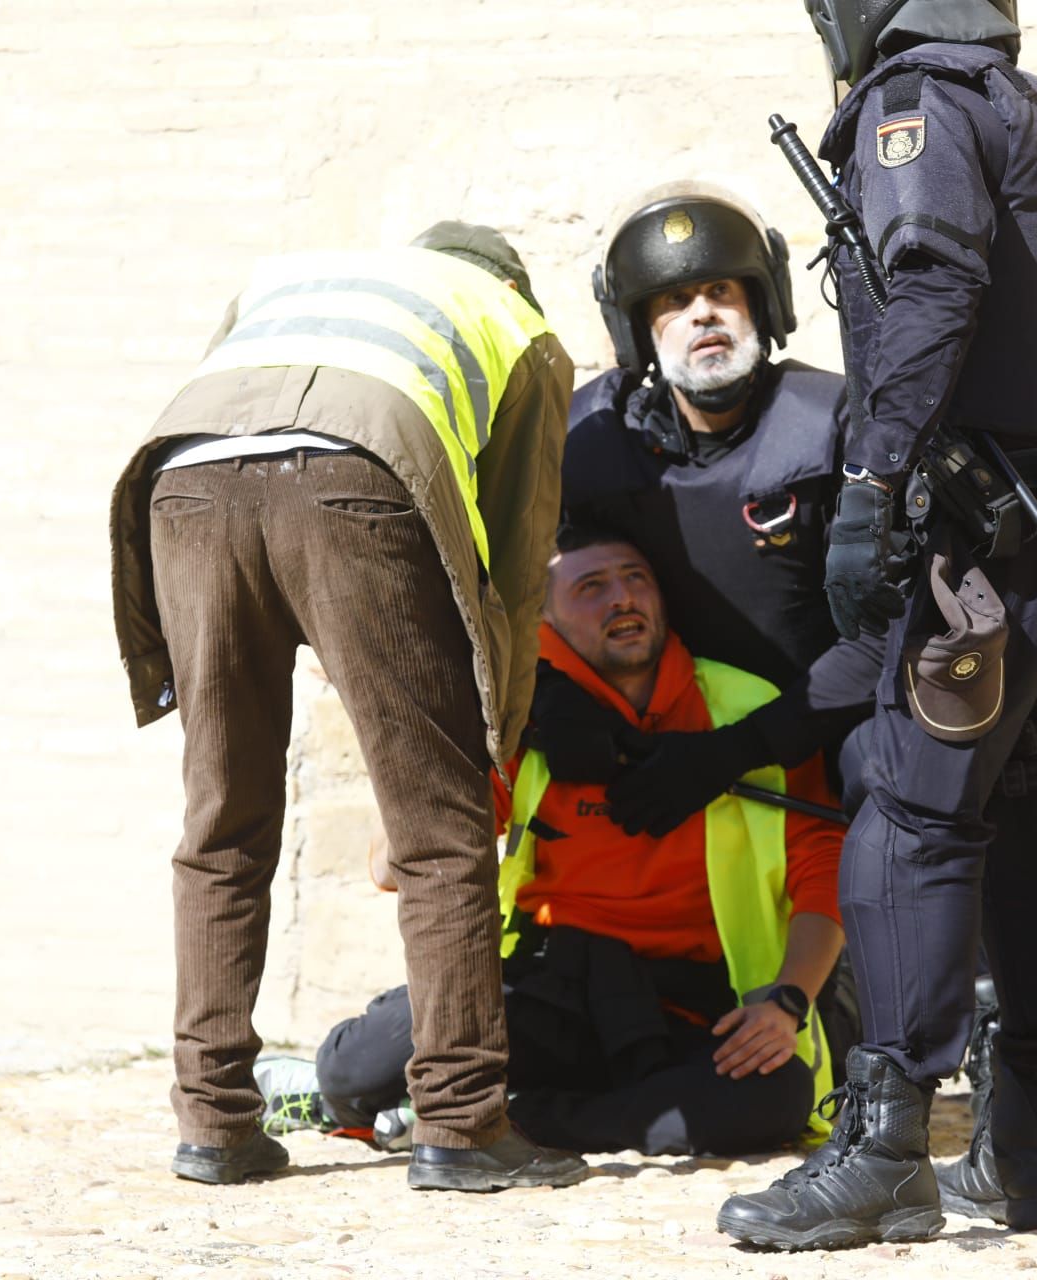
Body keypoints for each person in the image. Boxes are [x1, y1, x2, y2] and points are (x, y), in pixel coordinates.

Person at [717, 0, 1037, 1249]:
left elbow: (931, 283)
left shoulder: (916, 108)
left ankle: (884, 1150)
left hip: (987, 526)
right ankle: (1031, 1152)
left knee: (915, 808)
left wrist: (874, 483)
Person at [107, 222, 588, 1192]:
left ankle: (214, 1119)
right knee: (441, 828)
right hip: (355, 474)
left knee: (221, 819)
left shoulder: (292, 278)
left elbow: (235, 432)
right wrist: (498, 730)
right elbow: (513, 555)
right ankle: (461, 1121)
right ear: (510, 282)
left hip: (181, 475)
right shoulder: (517, 327)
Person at [274, 529, 849, 1157]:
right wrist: (438, 741)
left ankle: (508, 1117)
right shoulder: (519, 719)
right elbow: (391, 866)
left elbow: (824, 863)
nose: (622, 599)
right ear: (545, 617)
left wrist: (787, 1001)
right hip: (544, 983)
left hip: (686, 1003)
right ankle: (341, 1095)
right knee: (352, 1071)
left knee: (774, 1098)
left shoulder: (746, 709)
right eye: (591, 587)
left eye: (636, 578)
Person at [552, 184, 883, 823]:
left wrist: (735, 750)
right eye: (676, 301)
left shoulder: (835, 425)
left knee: (887, 772)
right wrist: (552, 700)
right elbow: (528, 602)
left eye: (722, 292)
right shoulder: (593, 444)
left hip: (826, 723)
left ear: (761, 306)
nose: (703, 313)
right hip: (664, 728)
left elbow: (888, 633)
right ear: (640, 330)